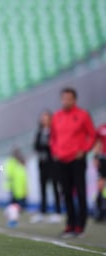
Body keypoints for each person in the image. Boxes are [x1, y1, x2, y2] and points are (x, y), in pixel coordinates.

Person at [50, 87, 96, 238]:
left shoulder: (83, 115)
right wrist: (55, 151)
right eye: (63, 98)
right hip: (61, 160)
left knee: (80, 193)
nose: (66, 101)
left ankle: (80, 227)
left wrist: (85, 150)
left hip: (77, 160)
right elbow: (53, 137)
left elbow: (92, 135)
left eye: (69, 99)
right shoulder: (56, 116)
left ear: (74, 100)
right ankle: (70, 225)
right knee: (66, 193)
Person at [30, 110, 62, 224]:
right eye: (42, 118)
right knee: (42, 188)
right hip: (42, 163)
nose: (43, 120)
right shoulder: (39, 132)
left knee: (55, 187)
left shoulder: (54, 132)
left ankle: (57, 212)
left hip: (52, 164)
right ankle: (42, 212)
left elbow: (55, 146)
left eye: (46, 118)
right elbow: (36, 147)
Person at [93, 122, 106, 221]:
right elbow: (97, 143)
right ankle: (100, 210)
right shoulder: (102, 128)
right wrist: (96, 157)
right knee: (100, 185)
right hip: (103, 159)